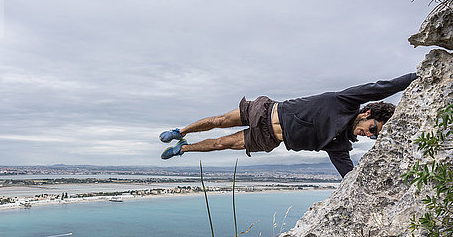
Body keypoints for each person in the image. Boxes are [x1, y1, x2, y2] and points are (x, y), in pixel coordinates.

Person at [159, 73, 417, 177]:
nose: (368, 134)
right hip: (265, 111)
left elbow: (349, 176)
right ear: (367, 113)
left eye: (373, 137)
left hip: (269, 139)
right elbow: (381, 88)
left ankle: (183, 149)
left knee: (220, 144)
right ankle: (179, 132)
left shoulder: (339, 145)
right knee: (218, 122)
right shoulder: (346, 102)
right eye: (373, 128)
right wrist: (418, 76)